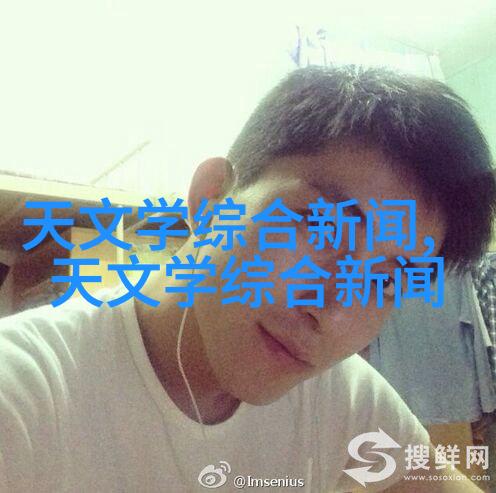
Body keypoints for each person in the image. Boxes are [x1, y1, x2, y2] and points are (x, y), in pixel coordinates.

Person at [0, 65, 494, 492]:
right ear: (212, 198)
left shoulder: (343, 396)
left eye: (385, 280)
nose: (332, 310)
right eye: (320, 226)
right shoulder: (25, 393)